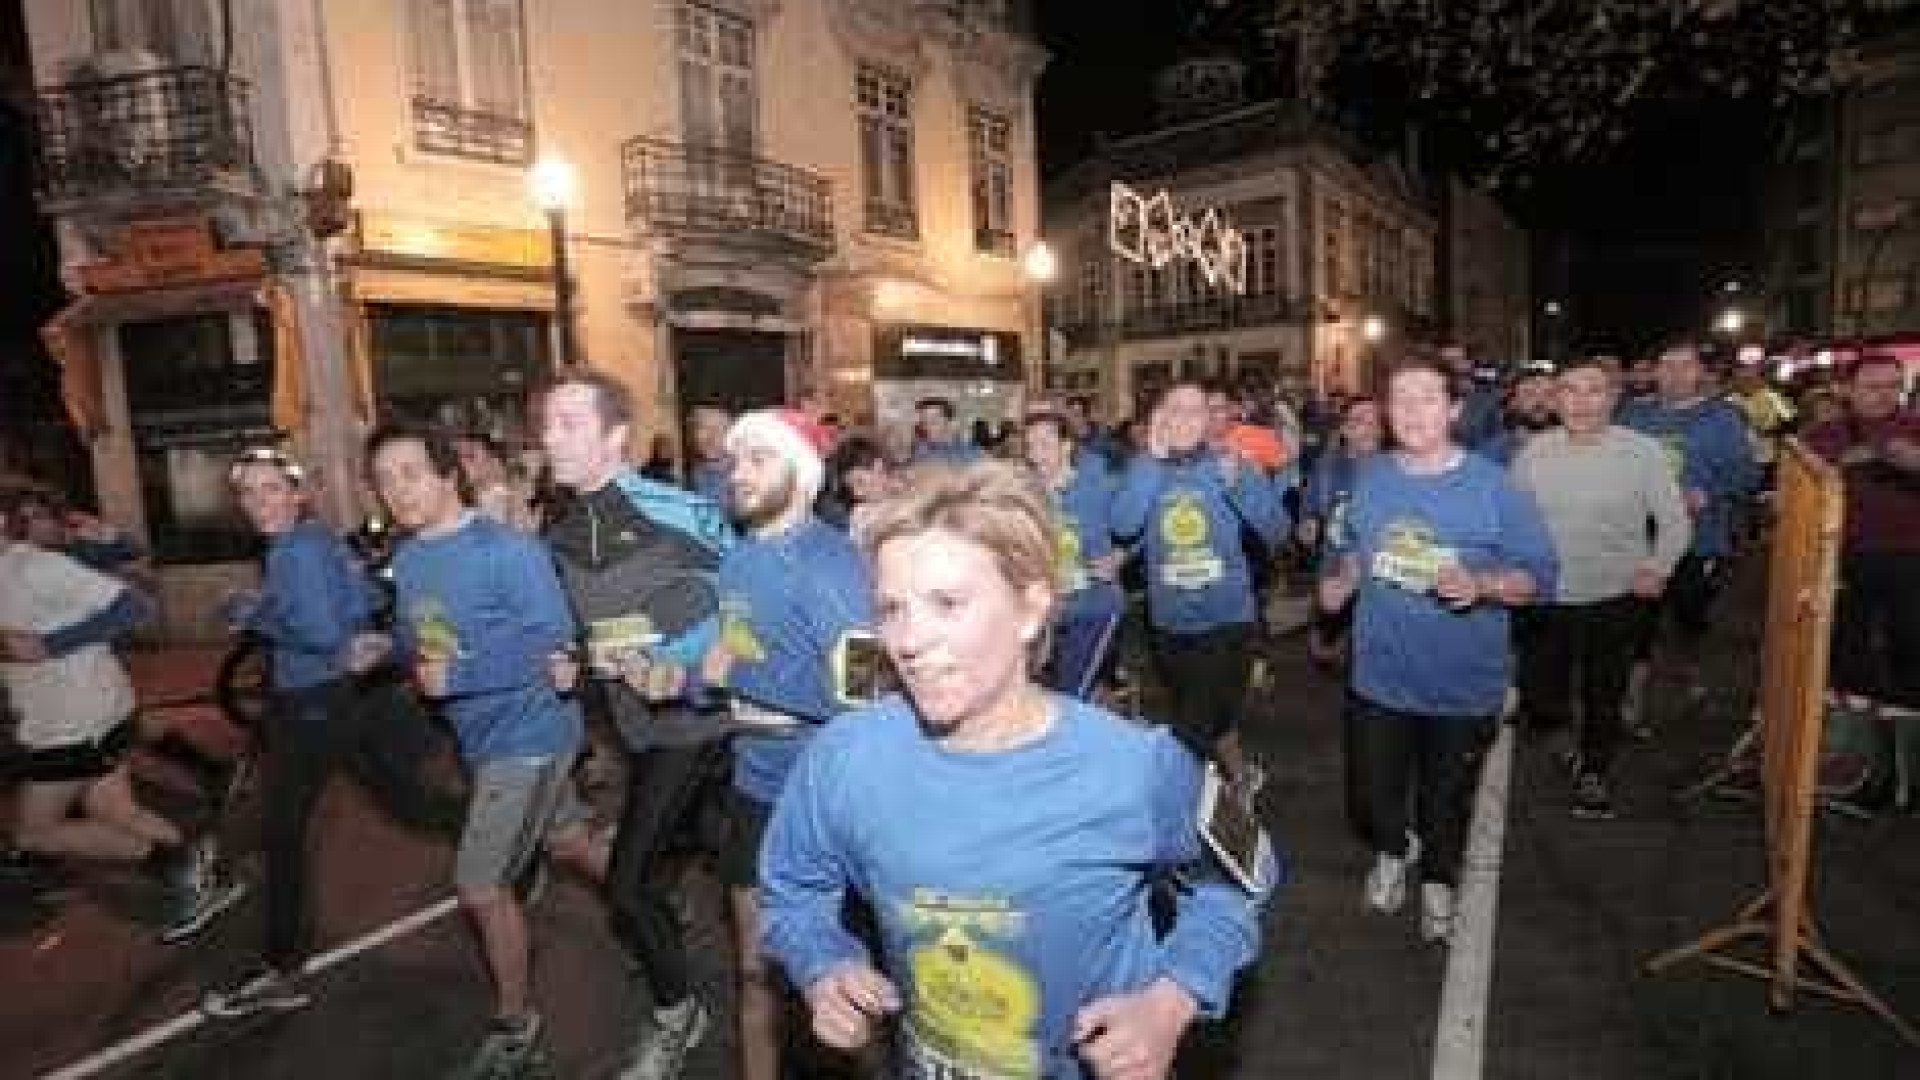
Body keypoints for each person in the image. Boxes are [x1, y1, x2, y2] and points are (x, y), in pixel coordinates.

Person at [760, 461, 1278, 1080]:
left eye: (947, 603)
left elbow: (1240, 881)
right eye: (892, 607)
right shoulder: (845, 757)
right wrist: (823, 965)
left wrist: (1168, 1003)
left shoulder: (1137, 768)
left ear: (1031, 609)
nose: (908, 640)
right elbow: (792, 888)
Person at [372, 425, 604, 1079]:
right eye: (385, 478)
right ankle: (647, 905)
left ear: (451, 474)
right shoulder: (412, 558)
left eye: (411, 472)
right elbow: (424, 634)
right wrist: (392, 648)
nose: (397, 490)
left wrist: (459, 676)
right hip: (482, 738)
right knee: (569, 844)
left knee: (480, 887)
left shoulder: (505, 550)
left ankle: (515, 1025)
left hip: (528, 738)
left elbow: (557, 641)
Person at [1320, 356, 1556, 942]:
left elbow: (1541, 576)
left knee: (1445, 801)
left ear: (1454, 409)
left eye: (1428, 398)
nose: (1413, 412)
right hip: (1378, 675)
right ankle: (1393, 851)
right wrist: (1344, 579)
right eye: (1400, 400)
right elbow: (1356, 545)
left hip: (1461, 682)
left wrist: (1482, 585)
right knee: (1371, 798)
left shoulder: (1494, 486)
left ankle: (1437, 882)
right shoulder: (1371, 477)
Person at [204, 447, 445, 1019]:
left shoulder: (292, 551)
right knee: (406, 803)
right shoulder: (316, 540)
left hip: (312, 705)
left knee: (282, 833)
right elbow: (362, 600)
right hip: (335, 699)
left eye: (271, 490)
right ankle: (514, 843)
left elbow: (316, 627)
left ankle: (280, 969)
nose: (259, 503)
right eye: (248, 493)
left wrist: (254, 613)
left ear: (297, 494)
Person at [539, 371, 732, 1079]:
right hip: (636, 728)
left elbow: (739, 594)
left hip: (695, 724)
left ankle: (678, 1014)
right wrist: (577, 661)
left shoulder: (673, 507)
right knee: (722, 857)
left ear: (615, 436)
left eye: (568, 423)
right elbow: (599, 635)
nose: (548, 437)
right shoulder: (562, 532)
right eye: (547, 423)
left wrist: (671, 655)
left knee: (626, 888)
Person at [673, 407, 875, 1080]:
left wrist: (740, 674)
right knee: (754, 969)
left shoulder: (832, 562)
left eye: (761, 458)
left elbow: (867, 692)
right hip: (751, 783)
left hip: (820, 794)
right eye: (738, 459)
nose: (741, 472)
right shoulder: (738, 562)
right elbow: (731, 667)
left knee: (841, 984)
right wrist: (686, 680)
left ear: (804, 473)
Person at [0, 484, 243, 943]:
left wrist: (49, 647)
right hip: (86, 714)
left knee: (34, 832)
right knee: (120, 813)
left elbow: (135, 604)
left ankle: (180, 864)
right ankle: (201, 878)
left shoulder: (34, 565)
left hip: (74, 725)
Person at [1511, 358, 1691, 820]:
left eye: (1594, 391)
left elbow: (1674, 521)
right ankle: (1560, 731)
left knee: (1603, 691)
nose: (1582, 402)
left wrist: (1658, 567)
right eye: (1570, 391)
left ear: (1614, 398)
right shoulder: (1534, 453)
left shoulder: (1643, 452)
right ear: (1555, 401)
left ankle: (1594, 771)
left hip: (1616, 594)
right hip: (1547, 595)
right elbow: (1509, 519)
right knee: (1540, 691)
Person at [1112, 383, 1288, 788]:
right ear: (1161, 417)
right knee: (1211, 714)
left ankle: (1175, 810)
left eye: (1198, 410)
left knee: (1191, 731)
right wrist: (1151, 459)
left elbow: (1277, 531)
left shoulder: (1230, 464)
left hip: (1226, 620)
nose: (1188, 418)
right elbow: (1123, 525)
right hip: (1170, 623)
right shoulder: (1146, 467)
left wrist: (1240, 484)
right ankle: (1242, 779)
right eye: (1177, 409)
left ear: (1209, 419)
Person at [1618, 339, 1761, 729]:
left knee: (1690, 617)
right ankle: (1632, 698)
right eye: (1666, 364)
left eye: (1685, 365)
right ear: (1653, 371)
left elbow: (1749, 475)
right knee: (1637, 619)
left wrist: (1708, 493)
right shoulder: (1632, 414)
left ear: (1701, 372)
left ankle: (1691, 672)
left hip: (1698, 540)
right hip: (1637, 538)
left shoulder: (1725, 418)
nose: (1674, 374)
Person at [1805, 354, 1920, 811]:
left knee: (1911, 651)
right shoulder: (1821, 435)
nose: (1884, 396)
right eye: (1872, 386)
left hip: (1911, 562)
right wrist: (1845, 462)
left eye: (1893, 386)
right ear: (1847, 389)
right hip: (1843, 560)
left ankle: (1906, 769)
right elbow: (1796, 493)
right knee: (1848, 651)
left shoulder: (1915, 429)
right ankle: (1857, 761)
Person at [1023, 411, 1126, 699]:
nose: (1035, 455)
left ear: (1066, 446)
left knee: (1070, 695)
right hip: (1045, 611)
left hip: (1094, 606)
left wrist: (1120, 555)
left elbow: (1138, 522)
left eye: (1044, 444)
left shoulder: (1099, 484)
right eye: (1030, 446)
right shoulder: (1026, 492)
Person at [1297, 395, 1384, 666]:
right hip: (1333, 565)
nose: (1368, 428)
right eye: (1359, 421)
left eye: (1374, 422)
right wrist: (1308, 521)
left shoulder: (1396, 469)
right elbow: (1310, 504)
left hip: (1378, 572)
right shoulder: (1327, 467)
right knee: (1326, 641)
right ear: (1344, 429)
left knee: (1370, 646)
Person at [455, 433, 538, 532]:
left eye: (471, 456)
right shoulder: (467, 503)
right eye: (460, 457)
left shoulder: (506, 498)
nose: (463, 463)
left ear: (495, 461)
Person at [823, 433, 893, 532]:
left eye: (881, 471)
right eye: (860, 482)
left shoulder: (890, 495)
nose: (880, 482)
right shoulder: (861, 518)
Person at [686, 404, 734, 507]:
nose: (712, 436)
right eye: (704, 428)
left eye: (720, 429)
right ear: (693, 434)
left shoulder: (742, 473)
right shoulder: (697, 472)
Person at [914, 397, 983, 465]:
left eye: (933, 421)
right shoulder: (921, 446)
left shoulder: (967, 447)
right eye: (924, 422)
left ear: (949, 421)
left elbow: (983, 469)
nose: (928, 427)